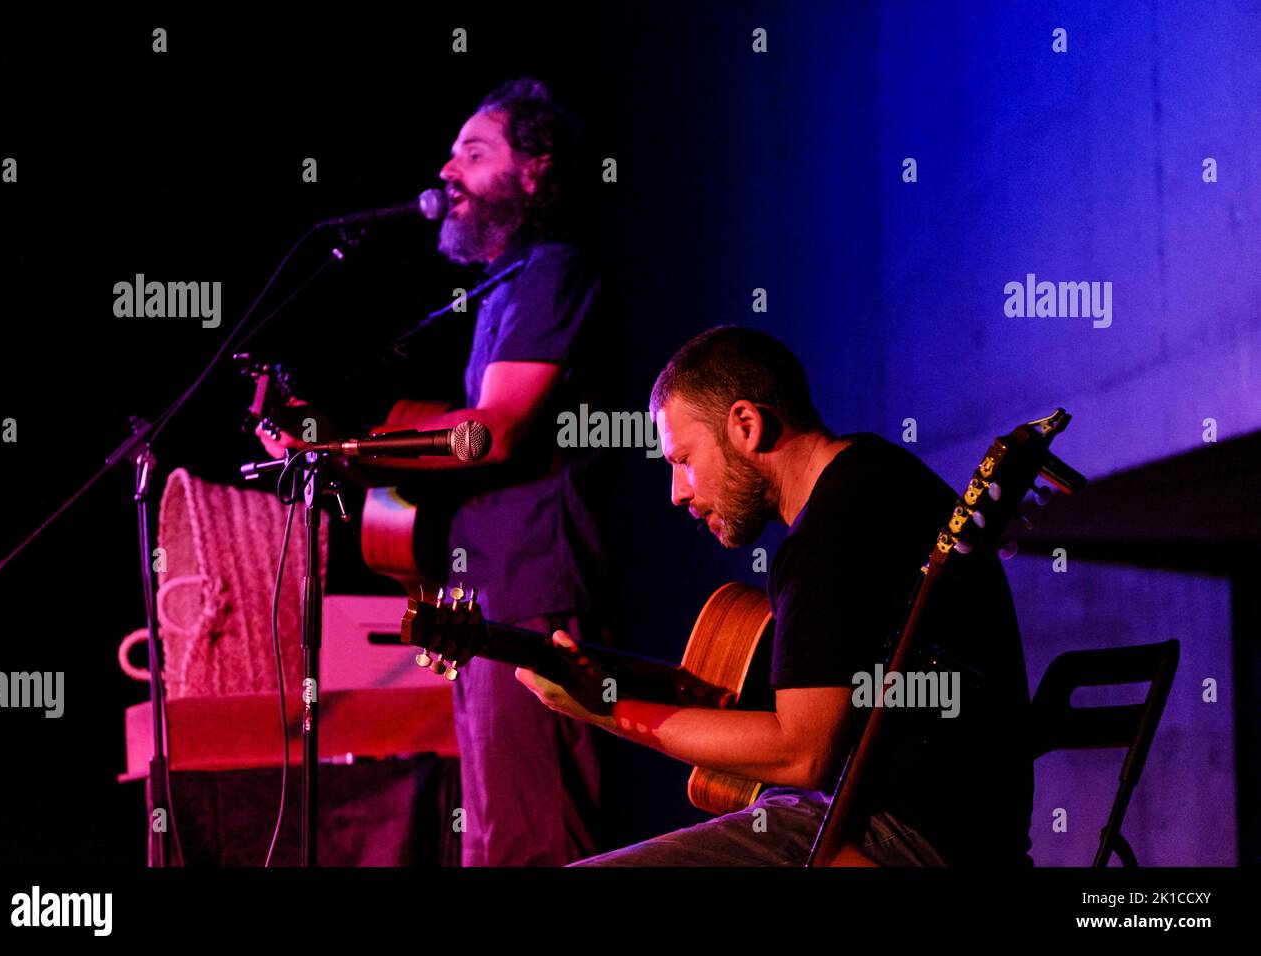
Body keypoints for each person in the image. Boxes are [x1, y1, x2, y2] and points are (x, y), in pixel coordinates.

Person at [516, 326, 1035, 866]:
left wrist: (606, 710)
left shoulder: (832, 531)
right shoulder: (877, 475)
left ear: (746, 424)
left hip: (902, 839)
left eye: (683, 460)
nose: (677, 493)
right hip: (950, 833)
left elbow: (802, 754)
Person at [259, 78, 612, 866]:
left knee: (534, 842)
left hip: (532, 594)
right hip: (488, 596)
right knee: (492, 843)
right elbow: (445, 434)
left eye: (475, 153)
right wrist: (337, 443)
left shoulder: (553, 268)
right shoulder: (502, 286)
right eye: (449, 152)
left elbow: (496, 429)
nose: (447, 171)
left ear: (535, 172)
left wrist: (342, 450)